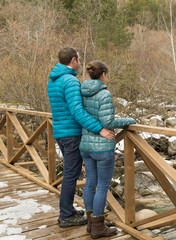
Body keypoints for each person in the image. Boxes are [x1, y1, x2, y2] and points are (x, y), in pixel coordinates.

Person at [47, 47, 115, 228]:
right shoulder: (70, 81)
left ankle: (68, 211)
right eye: (78, 59)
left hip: (60, 132)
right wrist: (99, 129)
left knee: (71, 172)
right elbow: (78, 112)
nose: (79, 62)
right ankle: (66, 215)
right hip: (72, 133)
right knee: (71, 174)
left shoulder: (53, 80)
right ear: (74, 60)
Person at [80, 60, 135, 238]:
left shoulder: (81, 91)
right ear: (103, 74)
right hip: (102, 148)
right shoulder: (104, 94)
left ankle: (91, 222)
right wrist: (128, 120)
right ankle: (98, 227)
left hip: (86, 146)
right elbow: (108, 123)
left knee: (90, 183)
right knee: (102, 186)